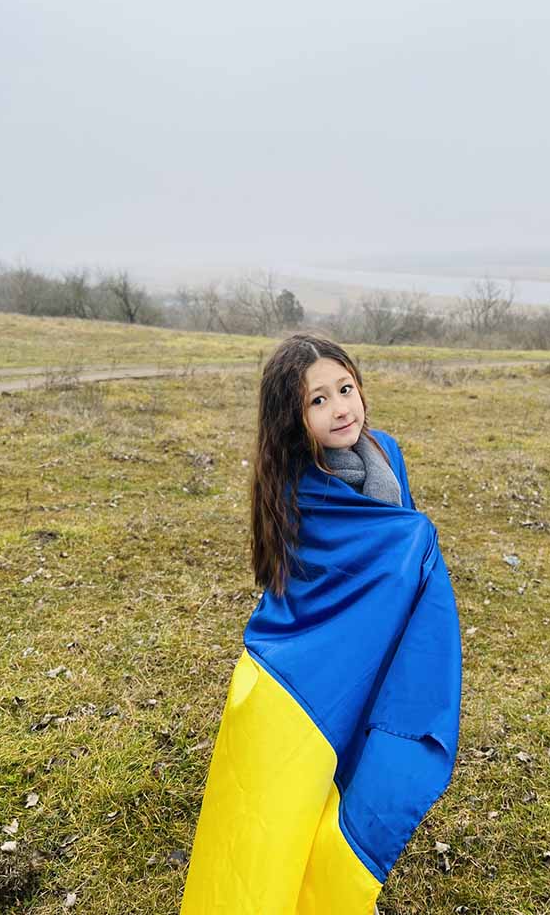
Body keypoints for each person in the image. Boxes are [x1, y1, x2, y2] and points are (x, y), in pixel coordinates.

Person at [179, 332, 462, 915]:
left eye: (345, 389)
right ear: (293, 416)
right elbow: (344, 569)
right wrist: (414, 543)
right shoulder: (295, 482)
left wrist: (411, 554)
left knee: (358, 766)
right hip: (308, 664)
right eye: (318, 400)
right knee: (284, 798)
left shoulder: (386, 453)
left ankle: (334, 881)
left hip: (379, 647)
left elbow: (393, 545)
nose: (340, 408)